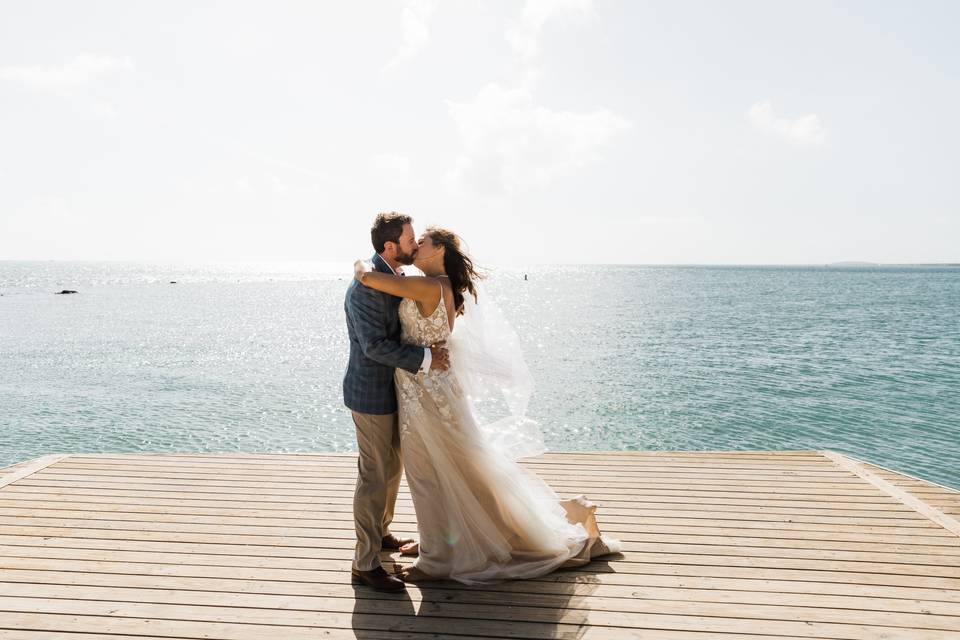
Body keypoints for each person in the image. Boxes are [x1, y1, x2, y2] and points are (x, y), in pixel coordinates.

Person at [353, 225, 620, 585]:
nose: (417, 244)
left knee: (428, 475)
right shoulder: (441, 285)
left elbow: (368, 278)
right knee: (450, 469)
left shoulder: (429, 286)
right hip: (431, 390)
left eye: (423, 241)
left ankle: (437, 557)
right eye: (413, 239)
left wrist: (358, 266)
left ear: (439, 251)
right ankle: (441, 541)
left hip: (426, 394)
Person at [342, 212, 450, 592]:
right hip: (370, 392)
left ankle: (381, 531)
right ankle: (365, 563)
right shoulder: (366, 287)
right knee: (373, 476)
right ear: (390, 246)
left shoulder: (391, 277)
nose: (414, 244)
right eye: (408, 239)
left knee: (393, 469)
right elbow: (373, 345)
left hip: (398, 391)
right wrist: (426, 358)